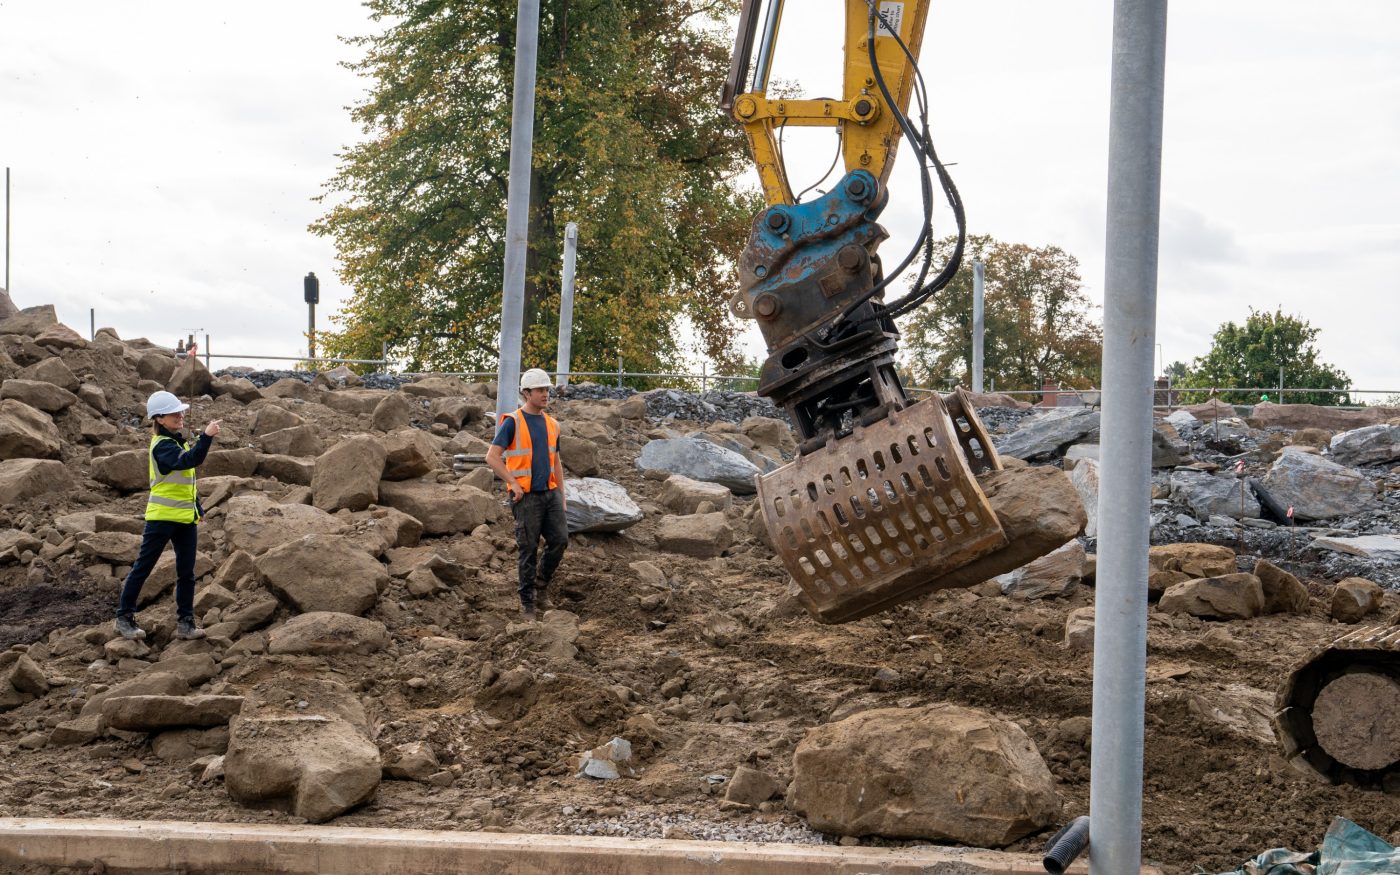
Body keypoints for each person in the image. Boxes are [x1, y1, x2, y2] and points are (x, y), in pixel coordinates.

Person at [114, 391, 222, 641]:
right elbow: (189, 462)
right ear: (159, 419)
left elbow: (186, 482)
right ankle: (123, 617)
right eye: (175, 413)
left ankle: (186, 623)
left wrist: (197, 509)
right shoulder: (162, 446)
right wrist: (206, 437)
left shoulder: (174, 442)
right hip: (162, 518)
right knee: (143, 568)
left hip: (185, 519)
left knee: (187, 573)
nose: (180, 415)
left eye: (181, 411)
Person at [485, 368, 568, 621]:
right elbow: (492, 457)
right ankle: (528, 603)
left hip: (550, 494)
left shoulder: (553, 425)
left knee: (560, 541)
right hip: (527, 498)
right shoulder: (513, 421)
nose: (545, 394)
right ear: (526, 393)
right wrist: (514, 483)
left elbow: (556, 462)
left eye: (547, 390)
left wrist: (562, 495)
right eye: (540, 390)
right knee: (528, 549)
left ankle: (541, 587)